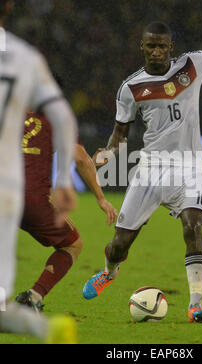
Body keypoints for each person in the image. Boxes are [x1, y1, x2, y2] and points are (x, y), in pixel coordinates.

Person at [83, 21, 202, 323]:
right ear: (142, 47)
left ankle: (195, 304)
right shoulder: (131, 88)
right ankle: (108, 272)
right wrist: (107, 153)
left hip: (190, 166)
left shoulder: (190, 65)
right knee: (119, 244)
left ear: (171, 48)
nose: (156, 51)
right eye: (150, 45)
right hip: (151, 169)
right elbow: (120, 133)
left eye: (161, 46)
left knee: (193, 227)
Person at [0, 0, 78, 343]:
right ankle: (38, 316)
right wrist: (63, 182)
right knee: (72, 246)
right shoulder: (26, 59)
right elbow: (64, 119)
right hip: (11, 192)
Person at [15, 111, 118, 312]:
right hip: (32, 197)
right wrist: (101, 198)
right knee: (72, 245)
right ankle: (34, 296)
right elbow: (80, 159)